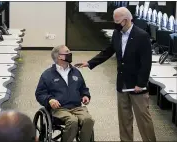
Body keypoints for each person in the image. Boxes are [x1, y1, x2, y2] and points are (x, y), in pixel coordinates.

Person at [75, 7, 156, 142]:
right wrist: (90, 63)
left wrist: (141, 84)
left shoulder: (142, 36)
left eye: (116, 21)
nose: (114, 23)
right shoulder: (117, 34)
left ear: (125, 20)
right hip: (122, 83)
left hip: (137, 85)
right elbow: (109, 51)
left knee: (143, 119)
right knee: (124, 119)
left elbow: (146, 63)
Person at [35, 45, 94, 142]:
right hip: (59, 109)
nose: (70, 54)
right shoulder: (47, 75)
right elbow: (40, 94)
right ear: (59, 57)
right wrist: (50, 100)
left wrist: (85, 95)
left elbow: (83, 88)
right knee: (72, 121)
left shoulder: (75, 72)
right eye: (67, 52)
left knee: (88, 120)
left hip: (76, 107)